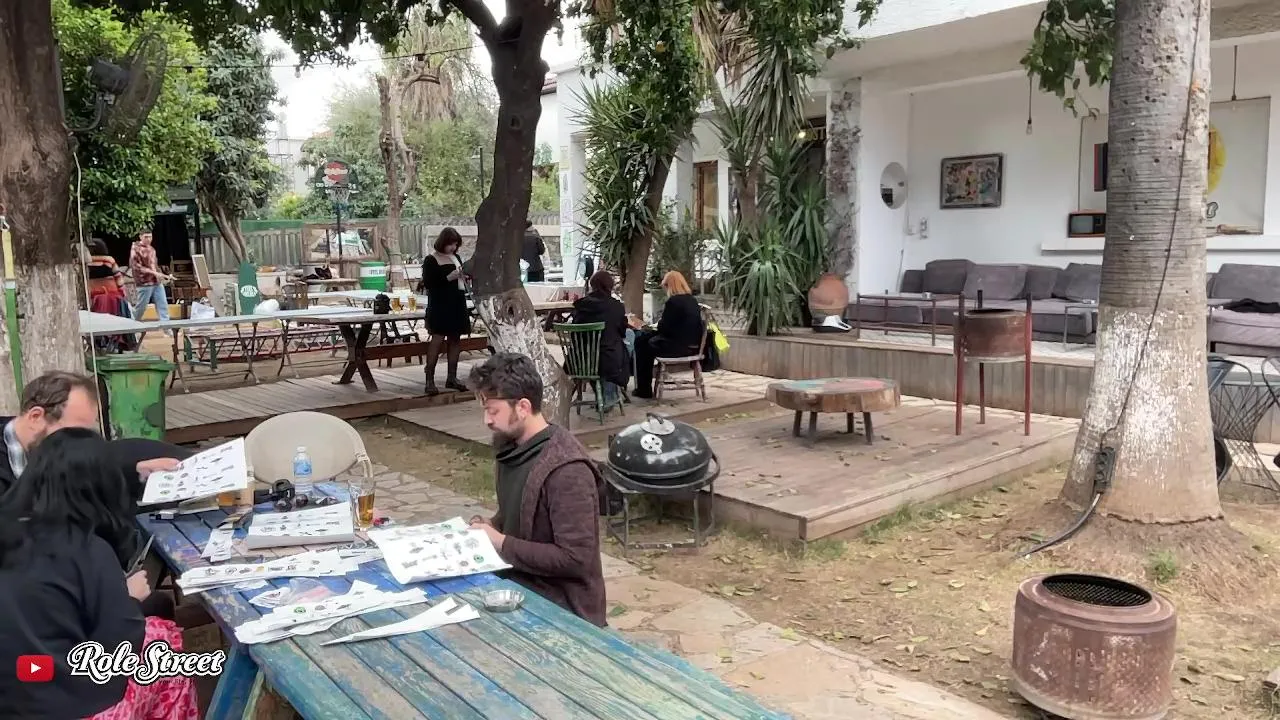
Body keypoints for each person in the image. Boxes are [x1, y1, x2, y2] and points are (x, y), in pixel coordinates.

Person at [0, 428, 199, 720]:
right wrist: (128, 598)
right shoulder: (87, 548)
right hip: (66, 704)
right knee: (163, 644)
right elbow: (119, 643)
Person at [466, 353, 607, 627]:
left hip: (565, 610)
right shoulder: (511, 449)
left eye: (493, 411)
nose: (487, 420)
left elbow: (576, 559)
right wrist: (491, 525)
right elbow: (521, 516)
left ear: (523, 407)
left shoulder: (567, 470)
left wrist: (499, 541)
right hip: (519, 584)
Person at [631, 270, 705, 399]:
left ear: (669, 286)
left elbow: (664, 328)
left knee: (641, 343)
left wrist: (653, 327)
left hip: (676, 347)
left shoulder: (673, 302)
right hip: (693, 346)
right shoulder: (692, 300)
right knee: (645, 340)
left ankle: (644, 389)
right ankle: (643, 388)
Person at [420, 228, 472, 395]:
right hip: (440, 304)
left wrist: (464, 276)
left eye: (456, 244)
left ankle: (452, 377)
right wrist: (449, 277)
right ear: (443, 243)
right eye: (451, 244)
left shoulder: (456, 257)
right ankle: (429, 379)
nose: (453, 247)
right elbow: (429, 283)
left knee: (455, 339)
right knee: (437, 339)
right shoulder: (431, 259)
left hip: (457, 301)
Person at [569, 270, 631, 405]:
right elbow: (622, 332)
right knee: (627, 342)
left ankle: (604, 393)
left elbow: (574, 333)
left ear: (593, 286)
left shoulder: (581, 306)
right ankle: (611, 393)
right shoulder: (616, 306)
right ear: (610, 286)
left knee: (609, 348)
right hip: (608, 360)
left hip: (581, 360)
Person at [128, 230, 172, 322]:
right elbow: (135, 266)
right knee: (141, 307)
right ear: (140, 237)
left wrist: (164, 275)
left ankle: (166, 327)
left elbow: (154, 265)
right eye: (146, 237)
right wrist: (154, 273)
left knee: (163, 305)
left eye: (150, 237)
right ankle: (132, 323)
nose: (148, 239)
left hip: (156, 282)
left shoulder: (151, 249)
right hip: (144, 282)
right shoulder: (136, 248)